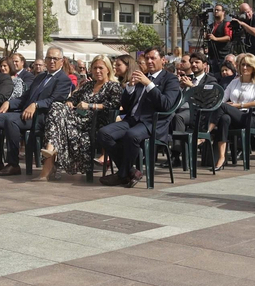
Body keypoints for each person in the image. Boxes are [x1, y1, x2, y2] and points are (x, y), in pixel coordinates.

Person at [0, 46, 72, 175]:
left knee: (11, 121)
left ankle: (13, 164)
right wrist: (9, 102)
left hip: (42, 117)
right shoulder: (40, 77)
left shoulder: (64, 80)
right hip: (25, 113)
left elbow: (55, 100)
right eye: (49, 58)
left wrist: (36, 105)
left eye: (55, 58)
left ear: (62, 61)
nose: (52, 61)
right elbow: (25, 97)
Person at [99, 48, 181, 185]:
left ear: (163, 60)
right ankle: (131, 171)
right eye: (147, 58)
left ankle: (122, 174)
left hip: (152, 123)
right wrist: (130, 88)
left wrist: (149, 84)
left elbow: (166, 104)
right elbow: (125, 105)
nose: (149, 61)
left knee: (131, 135)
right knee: (104, 133)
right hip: (132, 119)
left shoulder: (170, 79)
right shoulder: (142, 76)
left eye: (153, 58)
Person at [40, 55, 122, 179]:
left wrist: (91, 105)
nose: (97, 71)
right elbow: (73, 97)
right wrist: (70, 102)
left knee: (57, 121)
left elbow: (114, 104)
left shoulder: (113, 86)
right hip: (77, 120)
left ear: (108, 69)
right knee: (57, 106)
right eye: (94, 68)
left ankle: (50, 160)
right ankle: (50, 150)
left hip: (94, 123)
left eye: (101, 68)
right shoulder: (88, 85)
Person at [207, 53, 255, 171]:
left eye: (248, 65)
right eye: (243, 65)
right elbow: (222, 99)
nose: (244, 68)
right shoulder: (234, 82)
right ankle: (222, 157)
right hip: (234, 116)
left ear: (254, 67)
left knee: (223, 108)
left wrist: (239, 105)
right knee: (224, 118)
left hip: (250, 117)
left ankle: (205, 133)